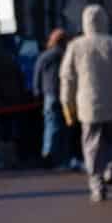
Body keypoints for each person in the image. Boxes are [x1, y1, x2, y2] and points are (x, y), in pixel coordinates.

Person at [58, 5, 112, 201]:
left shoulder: (75, 46)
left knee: (92, 146)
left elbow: (67, 78)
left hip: (88, 108)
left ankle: (97, 184)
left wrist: (67, 105)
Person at [32, 28, 70, 169]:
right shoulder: (66, 55)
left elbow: (37, 74)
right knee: (65, 128)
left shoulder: (45, 56)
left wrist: (37, 92)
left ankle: (48, 155)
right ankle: (62, 158)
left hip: (49, 95)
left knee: (51, 125)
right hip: (64, 95)